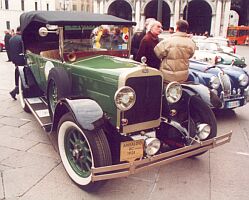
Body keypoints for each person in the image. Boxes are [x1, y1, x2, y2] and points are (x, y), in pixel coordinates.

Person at [9, 26, 26, 100]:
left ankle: (15, 90)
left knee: (18, 74)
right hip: (21, 60)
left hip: (15, 60)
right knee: (23, 76)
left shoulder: (11, 38)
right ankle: (15, 90)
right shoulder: (21, 38)